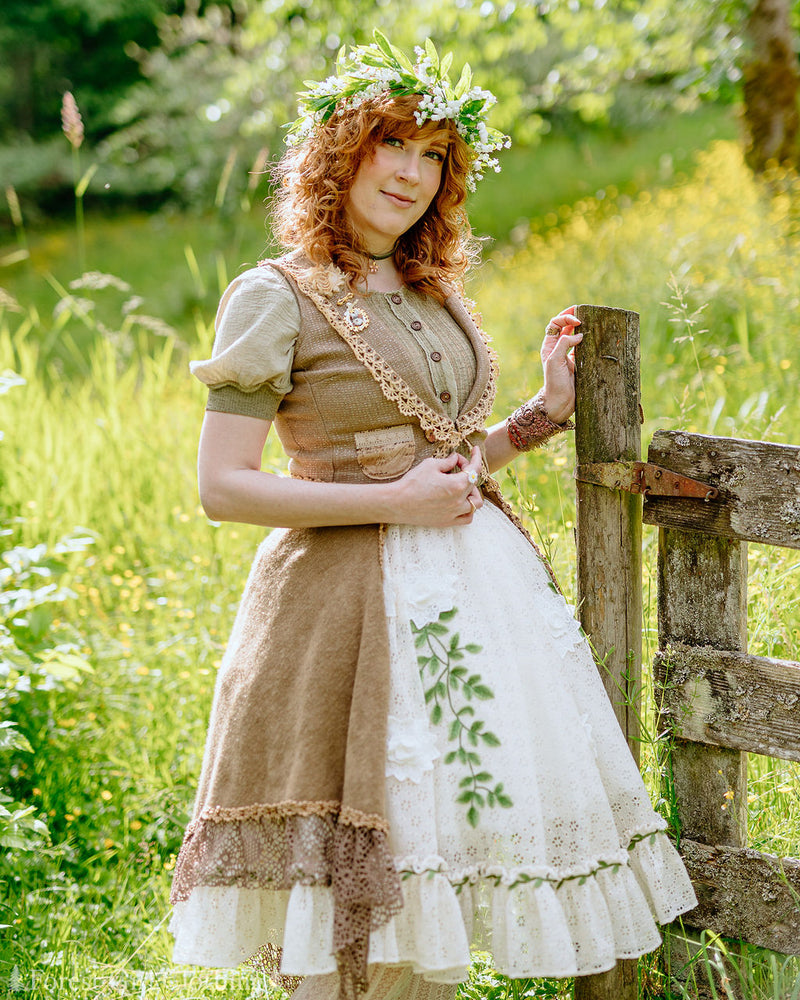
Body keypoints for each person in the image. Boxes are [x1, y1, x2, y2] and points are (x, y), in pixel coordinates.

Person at [169, 32, 697, 1000]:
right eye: (392, 146)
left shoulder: (426, 287)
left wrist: (540, 413)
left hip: (469, 604)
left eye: (433, 159)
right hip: (342, 614)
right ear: (342, 155)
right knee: (340, 927)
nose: (411, 174)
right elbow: (223, 487)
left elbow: (445, 466)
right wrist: (393, 503)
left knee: (437, 886)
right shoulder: (271, 295)